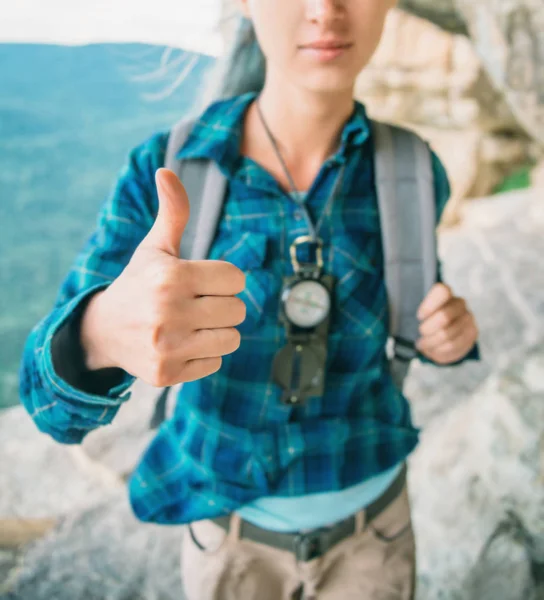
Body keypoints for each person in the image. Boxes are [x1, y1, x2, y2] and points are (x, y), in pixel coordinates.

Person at [19, 0, 480, 598]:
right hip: (229, 544)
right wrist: (100, 332)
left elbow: (416, 315)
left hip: (377, 536)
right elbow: (46, 399)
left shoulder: (414, 171)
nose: (326, 11)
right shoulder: (171, 172)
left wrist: (449, 336)